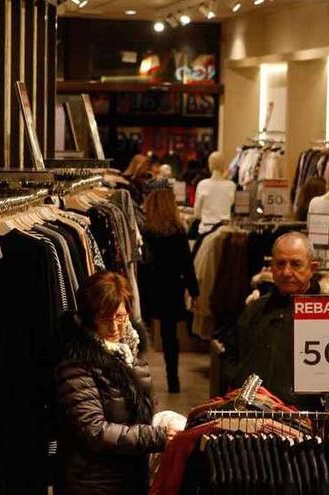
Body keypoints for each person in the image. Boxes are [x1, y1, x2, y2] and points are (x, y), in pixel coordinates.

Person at [54, 271, 178, 495]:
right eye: (105, 319)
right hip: (93, 483)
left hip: (125, 477)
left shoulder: (128, 353)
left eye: (120, 317)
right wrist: (156, 436)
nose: (114, 327)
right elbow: (94, 430)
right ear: (89, 319)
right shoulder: (75, 364)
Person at [219, 232, 322, 409]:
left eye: (296, 264)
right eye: (280, 264)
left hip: (305, 421)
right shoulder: (254, 309)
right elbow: (231, 353)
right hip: (252, 417)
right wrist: (239, 382)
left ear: (312, 268)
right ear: (271, 267)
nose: (286, 272)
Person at [140, 187, 199, 393]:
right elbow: (187, 264)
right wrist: (195, 292)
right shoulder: (178, 231)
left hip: (148, 286)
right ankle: (173, 380)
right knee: (170, 336)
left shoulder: (145, 231)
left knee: (141, 332)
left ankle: (139, 377)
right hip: (172, 287)